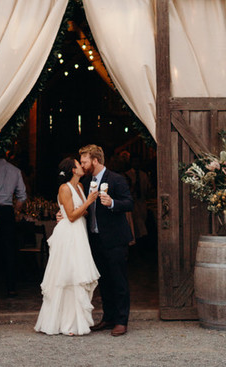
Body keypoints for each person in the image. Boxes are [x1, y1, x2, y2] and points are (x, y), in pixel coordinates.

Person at [34, 157, 99, 335]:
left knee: (77, 275)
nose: (82, 166)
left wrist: (80, 208)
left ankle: (75, 321)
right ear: (73, 170)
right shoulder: (64, 188)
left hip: (79, 232)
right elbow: (71, 216)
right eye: (79, 164)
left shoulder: (80, 186)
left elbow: (80, 212)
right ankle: (63, 323)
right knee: (67, 276)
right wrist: (88, 202)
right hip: (68, 234)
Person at [79, 143, 134, 336]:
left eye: (85, 162)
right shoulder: (86, 181)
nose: (82, 165)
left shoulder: (116, 179)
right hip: (95, 239)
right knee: (103, 282)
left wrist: (112, 203)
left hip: (115, 239)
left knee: (119, 281)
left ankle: (121, 321)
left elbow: (129, 203)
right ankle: (108, 318)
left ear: (95, 161)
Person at [0, 151, 27, 299]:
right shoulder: (15, 171)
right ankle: (11, 288)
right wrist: (15, 210)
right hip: (8, 211)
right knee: (10, 250)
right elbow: (22, 196)